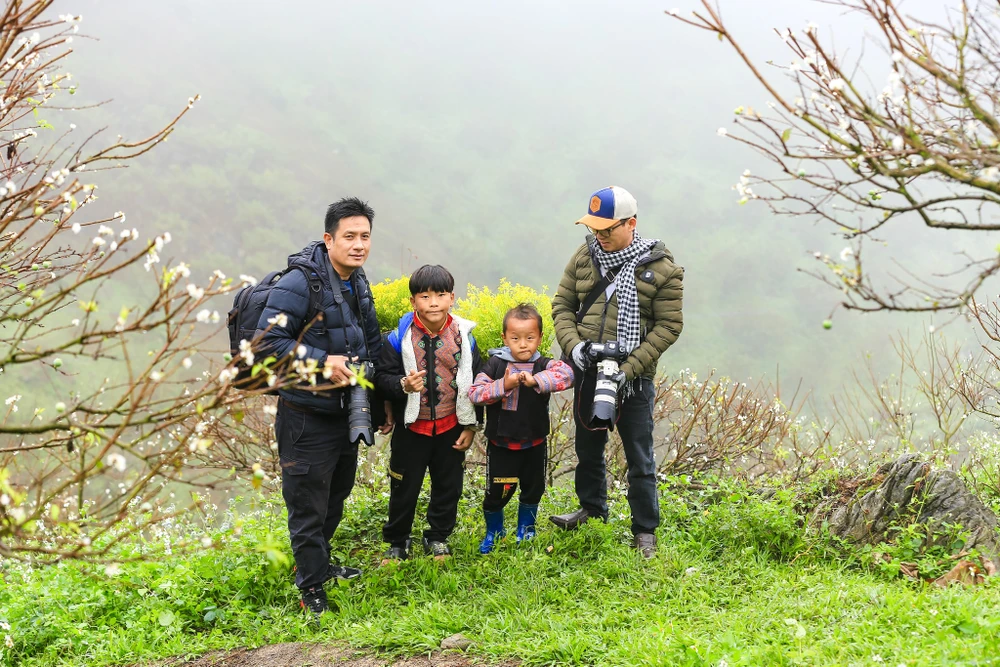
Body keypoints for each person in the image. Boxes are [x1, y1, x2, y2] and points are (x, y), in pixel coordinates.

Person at [256, 196, 388, 617]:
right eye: (349, 236)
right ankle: (311, 588)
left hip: (346, 409)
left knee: (336, 494)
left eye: (365, 236)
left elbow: (370, 344)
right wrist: (319, 362)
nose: (358, 245)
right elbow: (264, 344)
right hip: (305, 414)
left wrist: (382, 398)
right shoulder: (301, 282)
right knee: (308, 503)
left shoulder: (357, 279)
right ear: (328, 238)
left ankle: (319, 563)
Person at [549, 186, 684, 558]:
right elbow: (562, 304)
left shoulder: (662, 268)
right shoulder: (584, 255)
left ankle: (645, 531)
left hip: (633, 379)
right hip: (588, 368)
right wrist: (574, 345)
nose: (600, 236)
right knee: (587, 446)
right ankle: (592, 510)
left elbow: (669, 327)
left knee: (639, 455)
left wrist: (629, 369)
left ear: (631, 223)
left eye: (608, 228)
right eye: (595, 228)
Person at [374, 265, 483, 562]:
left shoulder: (465, 338)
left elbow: (476, 383)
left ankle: (437, 537)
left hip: (450, 426)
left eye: (440, 295)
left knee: (448, 486)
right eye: (424, 296)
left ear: (452, 298)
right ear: (413, 302)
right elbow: (381, 378)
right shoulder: (397, 339)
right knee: (403, 486)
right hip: (412, 429)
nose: (433, 302)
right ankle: (397, 541)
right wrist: (402, 385)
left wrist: (471, 426)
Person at [468, 303, 574, 554]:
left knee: (533, 487)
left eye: (530, 338)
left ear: (539, 337)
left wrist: (536, 380)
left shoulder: (544, 365)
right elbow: (475, 394)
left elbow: (568, 375)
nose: (523, 344)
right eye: (515, 338)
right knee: (498, 490)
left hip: (534, 443)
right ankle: (494, 532)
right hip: (502, 444)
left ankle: (526, 530)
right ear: (505, 338)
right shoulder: (495, 364)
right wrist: (504, 384)